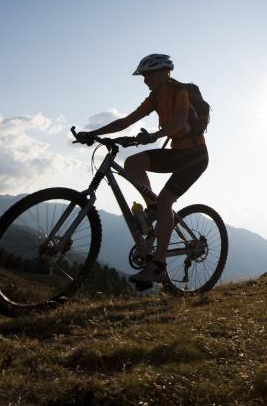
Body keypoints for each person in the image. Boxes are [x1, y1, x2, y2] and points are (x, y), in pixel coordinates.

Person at [78, 53, 209, 290]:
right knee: (133, 164)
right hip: (177, 152)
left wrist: (153, 136)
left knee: (167, 200)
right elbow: (126, 121)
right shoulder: (155, 98)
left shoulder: (180, 91)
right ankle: (154, 209)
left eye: (148, 74)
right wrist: (94, 133)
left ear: (163, 72)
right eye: (143, 75)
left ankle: (158, 266)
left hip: (195, 156)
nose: (145, 79)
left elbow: (179, 122)